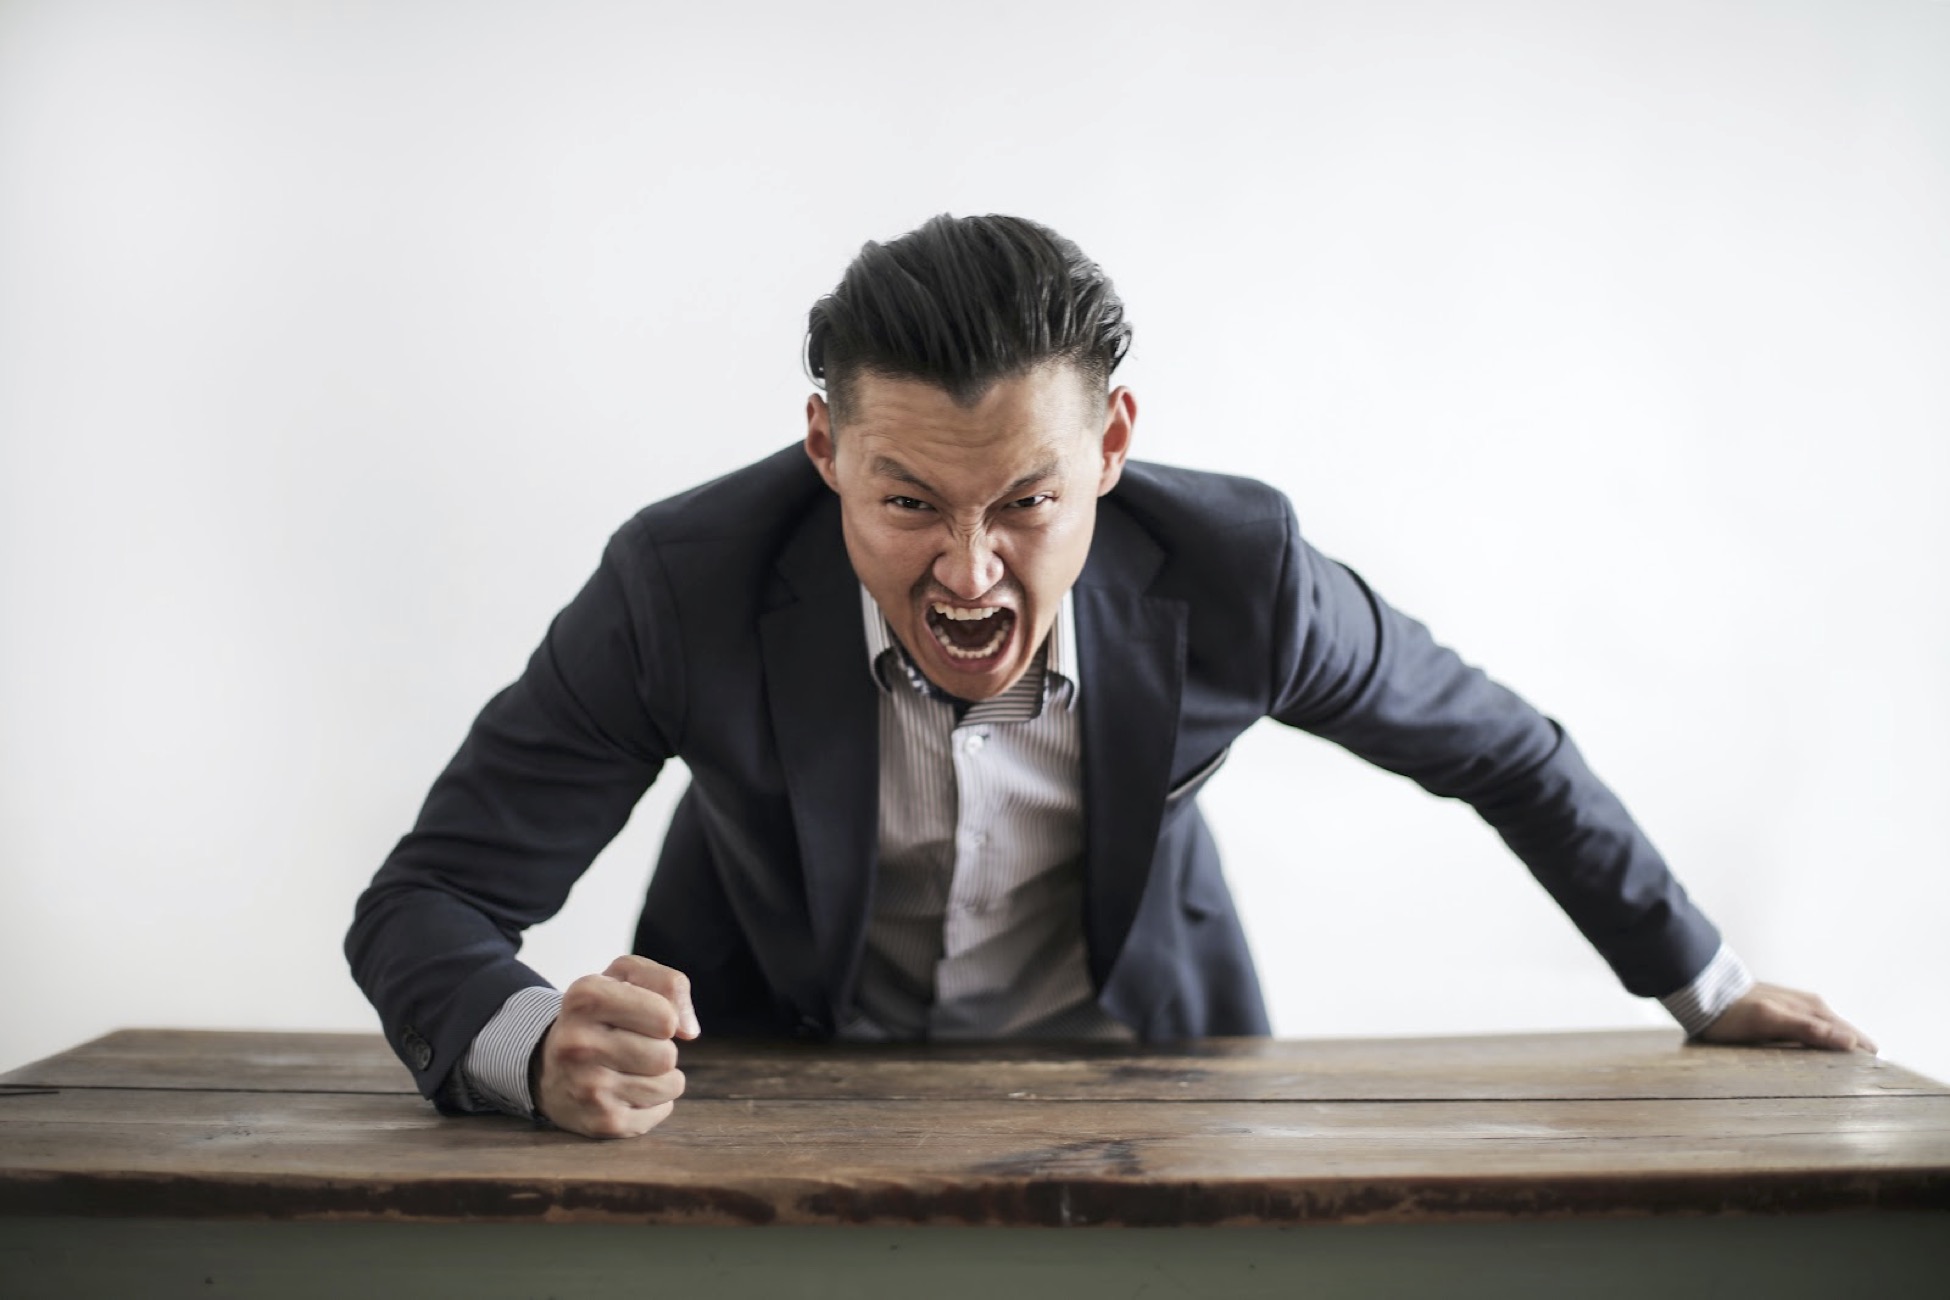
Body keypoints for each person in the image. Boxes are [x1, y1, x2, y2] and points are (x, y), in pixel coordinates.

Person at [346, 213, 1874, 1140]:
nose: (966, 573)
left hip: (1147, 1076)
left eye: (1025, 502)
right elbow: (426, 903)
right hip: (763, 1083)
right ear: (823, 451)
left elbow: (1503, 751)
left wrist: (1705, 984)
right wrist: (531, 1045)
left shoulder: (1242, 578)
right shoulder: (679, 589)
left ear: (1113, 450)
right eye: (904, 503)